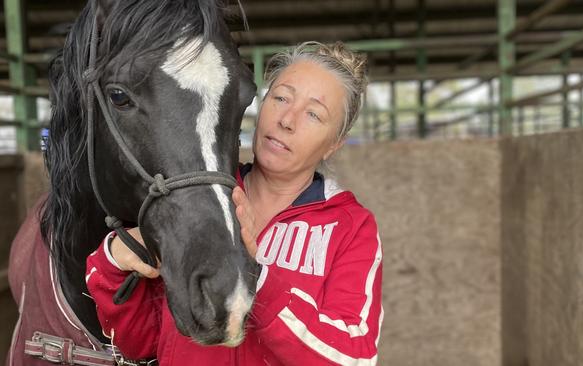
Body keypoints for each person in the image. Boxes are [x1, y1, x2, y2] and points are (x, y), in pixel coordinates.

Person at [86, 41, 383, 365]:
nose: (287, 120)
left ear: (333, 144)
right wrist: (111, 266)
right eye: (281, 97)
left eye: (313, 114)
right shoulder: (197, 200)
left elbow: (354, 357)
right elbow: (143, 342)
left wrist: (258, 274)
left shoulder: (351, 228)